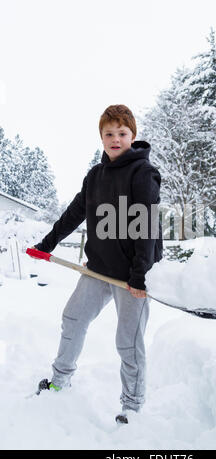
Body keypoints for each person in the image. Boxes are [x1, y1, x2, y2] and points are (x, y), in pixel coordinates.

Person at [29, 104, 163, 424]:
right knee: (73, 319)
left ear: (133, 135)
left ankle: (132, 407)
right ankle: (59, 381)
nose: (115, 139)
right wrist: (47, 244)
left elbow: (148, 223)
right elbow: (76, 212)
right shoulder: (95, 175)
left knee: (127, 342)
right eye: (109, 133)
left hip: (133, 276)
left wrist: (141, 275)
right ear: (101, 137)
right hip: (98, 269)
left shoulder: (143, 173)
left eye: (122, 133)